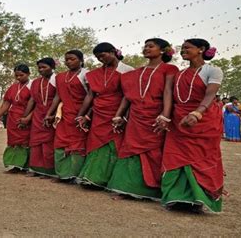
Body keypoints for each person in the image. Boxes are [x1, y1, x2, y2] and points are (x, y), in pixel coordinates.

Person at [107, 38, 179, 200]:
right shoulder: (136, 72)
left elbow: (168, 92)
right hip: (136, 116)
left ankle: (151, 191)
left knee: (153, 152)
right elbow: (127, 96)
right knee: (130, 150)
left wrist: (165, 115)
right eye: (145, 46)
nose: (146, 48)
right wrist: (118, 115)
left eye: (151, 46)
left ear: (162, 50)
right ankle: (127, 189)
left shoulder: (170, 69)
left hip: (156, 115)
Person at [162, 39, 225, 213]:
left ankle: (199, 200)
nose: (183, 51)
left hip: (204, 122)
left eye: (187, 48)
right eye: (182, 48)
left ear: (201, 49)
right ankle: (177, 198)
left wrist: (198, 113)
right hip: (178, 123)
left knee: (202, 159)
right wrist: (165, 116)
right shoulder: (179, 74)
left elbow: (210, 93)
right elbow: (171, 96)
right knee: (176, 158)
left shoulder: (213, 70)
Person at [76, 43, 134, 187]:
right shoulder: (95, 73)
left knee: (113, 145)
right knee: (96, 144)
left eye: (103, 55)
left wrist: (122, 116)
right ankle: (92, 177)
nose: (101, 59)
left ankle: (107, 179)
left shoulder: (128, 70)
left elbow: (128, 96)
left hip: (117, 112)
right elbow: (90, 95)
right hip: (98, 113)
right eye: (98, 57)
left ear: (113, 52)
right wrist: (81, 114)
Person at [44, 50, 88, 181]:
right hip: (64, 114)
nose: (69, 61)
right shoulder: (60, 77)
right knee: (60, 143)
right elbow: (58, 96)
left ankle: (75, 174)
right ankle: (63, 174)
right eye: (67, 59)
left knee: (77, 144)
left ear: (80, 60)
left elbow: (91, 96)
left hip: (80, 114)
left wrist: (82, 115)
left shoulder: (87, 75)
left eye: (72, 59)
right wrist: (49, 113)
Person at [21, 57, 57, 177]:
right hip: (37, 114)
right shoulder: (36, 82)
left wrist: (52, 114)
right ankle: (36, 168)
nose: (41, 70)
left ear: (52, 67)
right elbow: (32, 100)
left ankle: (49, 171)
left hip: (51, 114)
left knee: (48, 143)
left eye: (44, 67)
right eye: (39, 68)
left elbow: (59, 97)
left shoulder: (57, 79)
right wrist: (25, 116)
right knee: (35, 143)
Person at [0, 64, 32, 173]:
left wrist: (27, 118)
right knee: (13, 141)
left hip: (26, 116)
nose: (18, 78)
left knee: (25, 141)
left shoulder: (32, 85)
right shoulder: (13, 87)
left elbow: (35, 104)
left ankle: (25, 165)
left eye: (21, 75)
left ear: (28, 74)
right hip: (12, 117)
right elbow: (7, 102)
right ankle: (15, 165)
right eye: (16, 76)